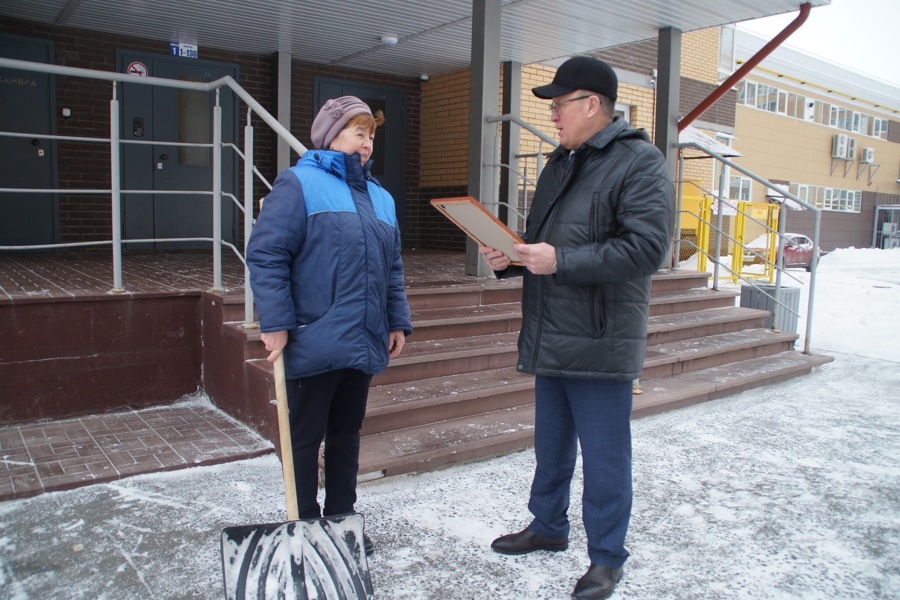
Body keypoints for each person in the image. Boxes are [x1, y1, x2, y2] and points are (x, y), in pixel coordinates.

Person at [480, 56, 674, 600]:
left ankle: (608, 558)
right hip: (551, 329)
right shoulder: (562, 162)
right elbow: (547, 242)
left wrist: (559, 260)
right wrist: (512, 257)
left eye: (560, 104)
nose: (554, 116)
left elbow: (645, 250)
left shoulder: (640, 162)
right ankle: (548, 525)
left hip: (599, 337)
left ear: (592, 104)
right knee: (552, 444)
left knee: (606, 456)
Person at [246, 96, 412, 556]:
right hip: (312, 336)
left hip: (362, 340)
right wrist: (275, 321)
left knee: (346, 435)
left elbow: (391, 267)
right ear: (329, 136)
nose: (366, 142)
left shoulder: (380, 197)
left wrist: (396, 319)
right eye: (357, 132)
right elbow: (267, 254)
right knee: (304, 440)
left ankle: (342, 521)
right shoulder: (298, 183)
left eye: (371, 134)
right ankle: (305, 525)